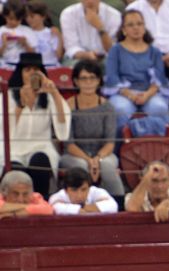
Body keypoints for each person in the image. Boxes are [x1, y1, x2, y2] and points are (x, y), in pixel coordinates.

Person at [3, 52, 71, 196]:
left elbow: (62, 123)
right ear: (20, 73)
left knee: (40, 162)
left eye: (36, 71)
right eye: (27, 70)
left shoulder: (48, 95)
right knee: (15, 170)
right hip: (14, 148)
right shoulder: (7, 96)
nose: (32, 74)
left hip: (41, 146)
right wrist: (21, 103)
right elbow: (7, 129)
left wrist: (55, 93)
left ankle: (41, 202)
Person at [60, 58, 125, 200]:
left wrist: (96, 159)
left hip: (102, 153)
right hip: (74, 155)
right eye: (83, 78)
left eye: (92, 78)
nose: (88, 82)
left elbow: (110, 142)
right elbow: (69, 144)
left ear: (99, 81)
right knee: (80, 166)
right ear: (76, 81)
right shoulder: (68, 106)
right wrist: (89, 160)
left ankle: (119, 204)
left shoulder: (108, 107)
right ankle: (79, 205)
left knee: (107, 165)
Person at [102, 9, 169, 135]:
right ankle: (120, 151)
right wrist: (130, 95)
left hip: (149, 94)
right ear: (123, 30)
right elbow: (112, 77)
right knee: (120, 109)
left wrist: (147, 95)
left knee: (159, 108)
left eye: (139, 24)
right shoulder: (115, 50)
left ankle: (161, 150)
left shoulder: (154, 51)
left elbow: (159, 79)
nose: (136, 28)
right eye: (131, 25)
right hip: (123, 94)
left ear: (144, 27)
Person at [59, 0, 121, 64]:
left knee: (112, 64)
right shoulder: (68, 14)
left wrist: (100, 27)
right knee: (75, 66)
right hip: (78, 58)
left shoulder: (115, 15)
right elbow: (71, 47)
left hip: (106, 58)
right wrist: (86, 55)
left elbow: (112, 50)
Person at [47, 166, 118, 214]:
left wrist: (83, 208)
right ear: (66, 191)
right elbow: (55, 208)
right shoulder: (57, 197)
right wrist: (81, 209)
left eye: (83, 189)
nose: (79, 195)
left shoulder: (96, 191)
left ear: (89, 187)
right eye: (74, 190)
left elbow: (113, 205)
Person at [24, 1, 62, 67]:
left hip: (51, 66)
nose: (29, 19)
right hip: (33, 67)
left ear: (43, 16)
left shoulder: (51, 32)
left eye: (32, 16)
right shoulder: (25, 33)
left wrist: (59, 37)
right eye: (27, 17)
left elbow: (58, 55)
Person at [1, 1, 37, 68]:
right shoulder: (1, 31)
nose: (14, 22)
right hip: (4, 65)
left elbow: (33, 54)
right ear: (5, 16)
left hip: (22, 66)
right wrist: (4, 44)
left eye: (18, 19)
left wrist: (25, 43)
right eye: (11, 18)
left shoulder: (27, 31)